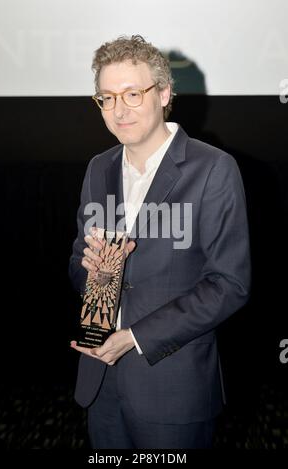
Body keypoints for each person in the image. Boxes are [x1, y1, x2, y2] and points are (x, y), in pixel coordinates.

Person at [69, 34, 251, 449]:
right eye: (107, 97)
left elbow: (229, 284)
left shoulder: (213, 169)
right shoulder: (99, 168)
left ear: (165, 92)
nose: (119, 110)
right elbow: (78, 265)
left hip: (173, 388)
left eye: (133, 93)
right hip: (100, 381)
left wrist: (134, 336)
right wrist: (90, 270)